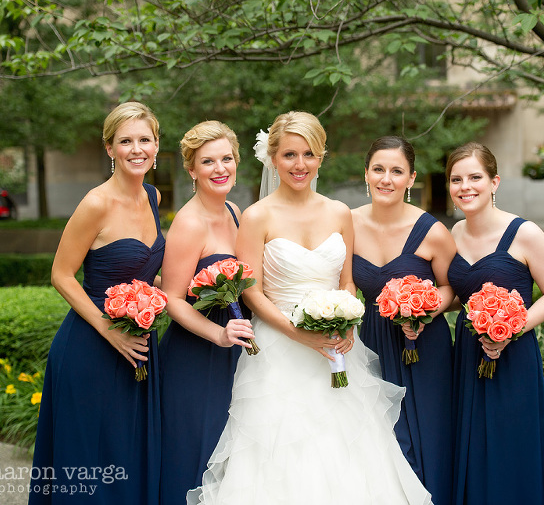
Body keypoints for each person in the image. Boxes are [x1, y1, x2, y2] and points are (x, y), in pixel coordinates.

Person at [187, 111, 431, 505]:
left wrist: (348, 321)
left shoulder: (338, 212)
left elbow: (347, 280)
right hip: (277, 352)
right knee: (279, 456)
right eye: (289, 155)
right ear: (273, 157)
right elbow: (251, 292)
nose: (299, 165)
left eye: (309, 154)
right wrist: (297, 333)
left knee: (347, 454)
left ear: (321, 157)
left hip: (336, 350)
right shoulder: (256, 216)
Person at [29, 101, 164, 504]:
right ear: (109, 149)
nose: (136, 149)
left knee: (126, 454)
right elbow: (61, 274)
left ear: (157, 146)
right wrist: (109, 330)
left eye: (145, 139)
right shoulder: (96, 204)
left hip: (138, 345)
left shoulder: (153, 196)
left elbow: (144, 271)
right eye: (126, 141)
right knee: (90, 462)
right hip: (91, 347)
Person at [445, 142, 544, 505]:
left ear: (494, 182)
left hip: (513, 356)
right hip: (468, 354)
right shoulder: (454, 233)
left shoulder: (525, 233)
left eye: (475, 177)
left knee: (511, 445)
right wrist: (417, 313)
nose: (465, 186)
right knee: (473, 447)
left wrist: (510, 329)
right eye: (456, 179)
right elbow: (456, 294)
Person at [352, 136, 457, 504]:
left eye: (397, 171)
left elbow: (452, 289)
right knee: (384, 439)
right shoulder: (347, 225)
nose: (386, 178)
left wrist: (425, 310)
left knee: (428, 434)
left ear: (411, 179)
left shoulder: (432, 231)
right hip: (371, 346)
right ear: (366, 173)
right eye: (379, 169)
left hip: (425, 346)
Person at [158, 120, 254, 503]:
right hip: (196, 355)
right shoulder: (188, 223)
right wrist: (218, 333)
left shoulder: (234, 211)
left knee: (232, 455)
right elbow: (172, 297)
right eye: (208, 161)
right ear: (192, 170)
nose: (220, 169)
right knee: (199, 450)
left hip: (235, 351)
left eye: (227, 159)